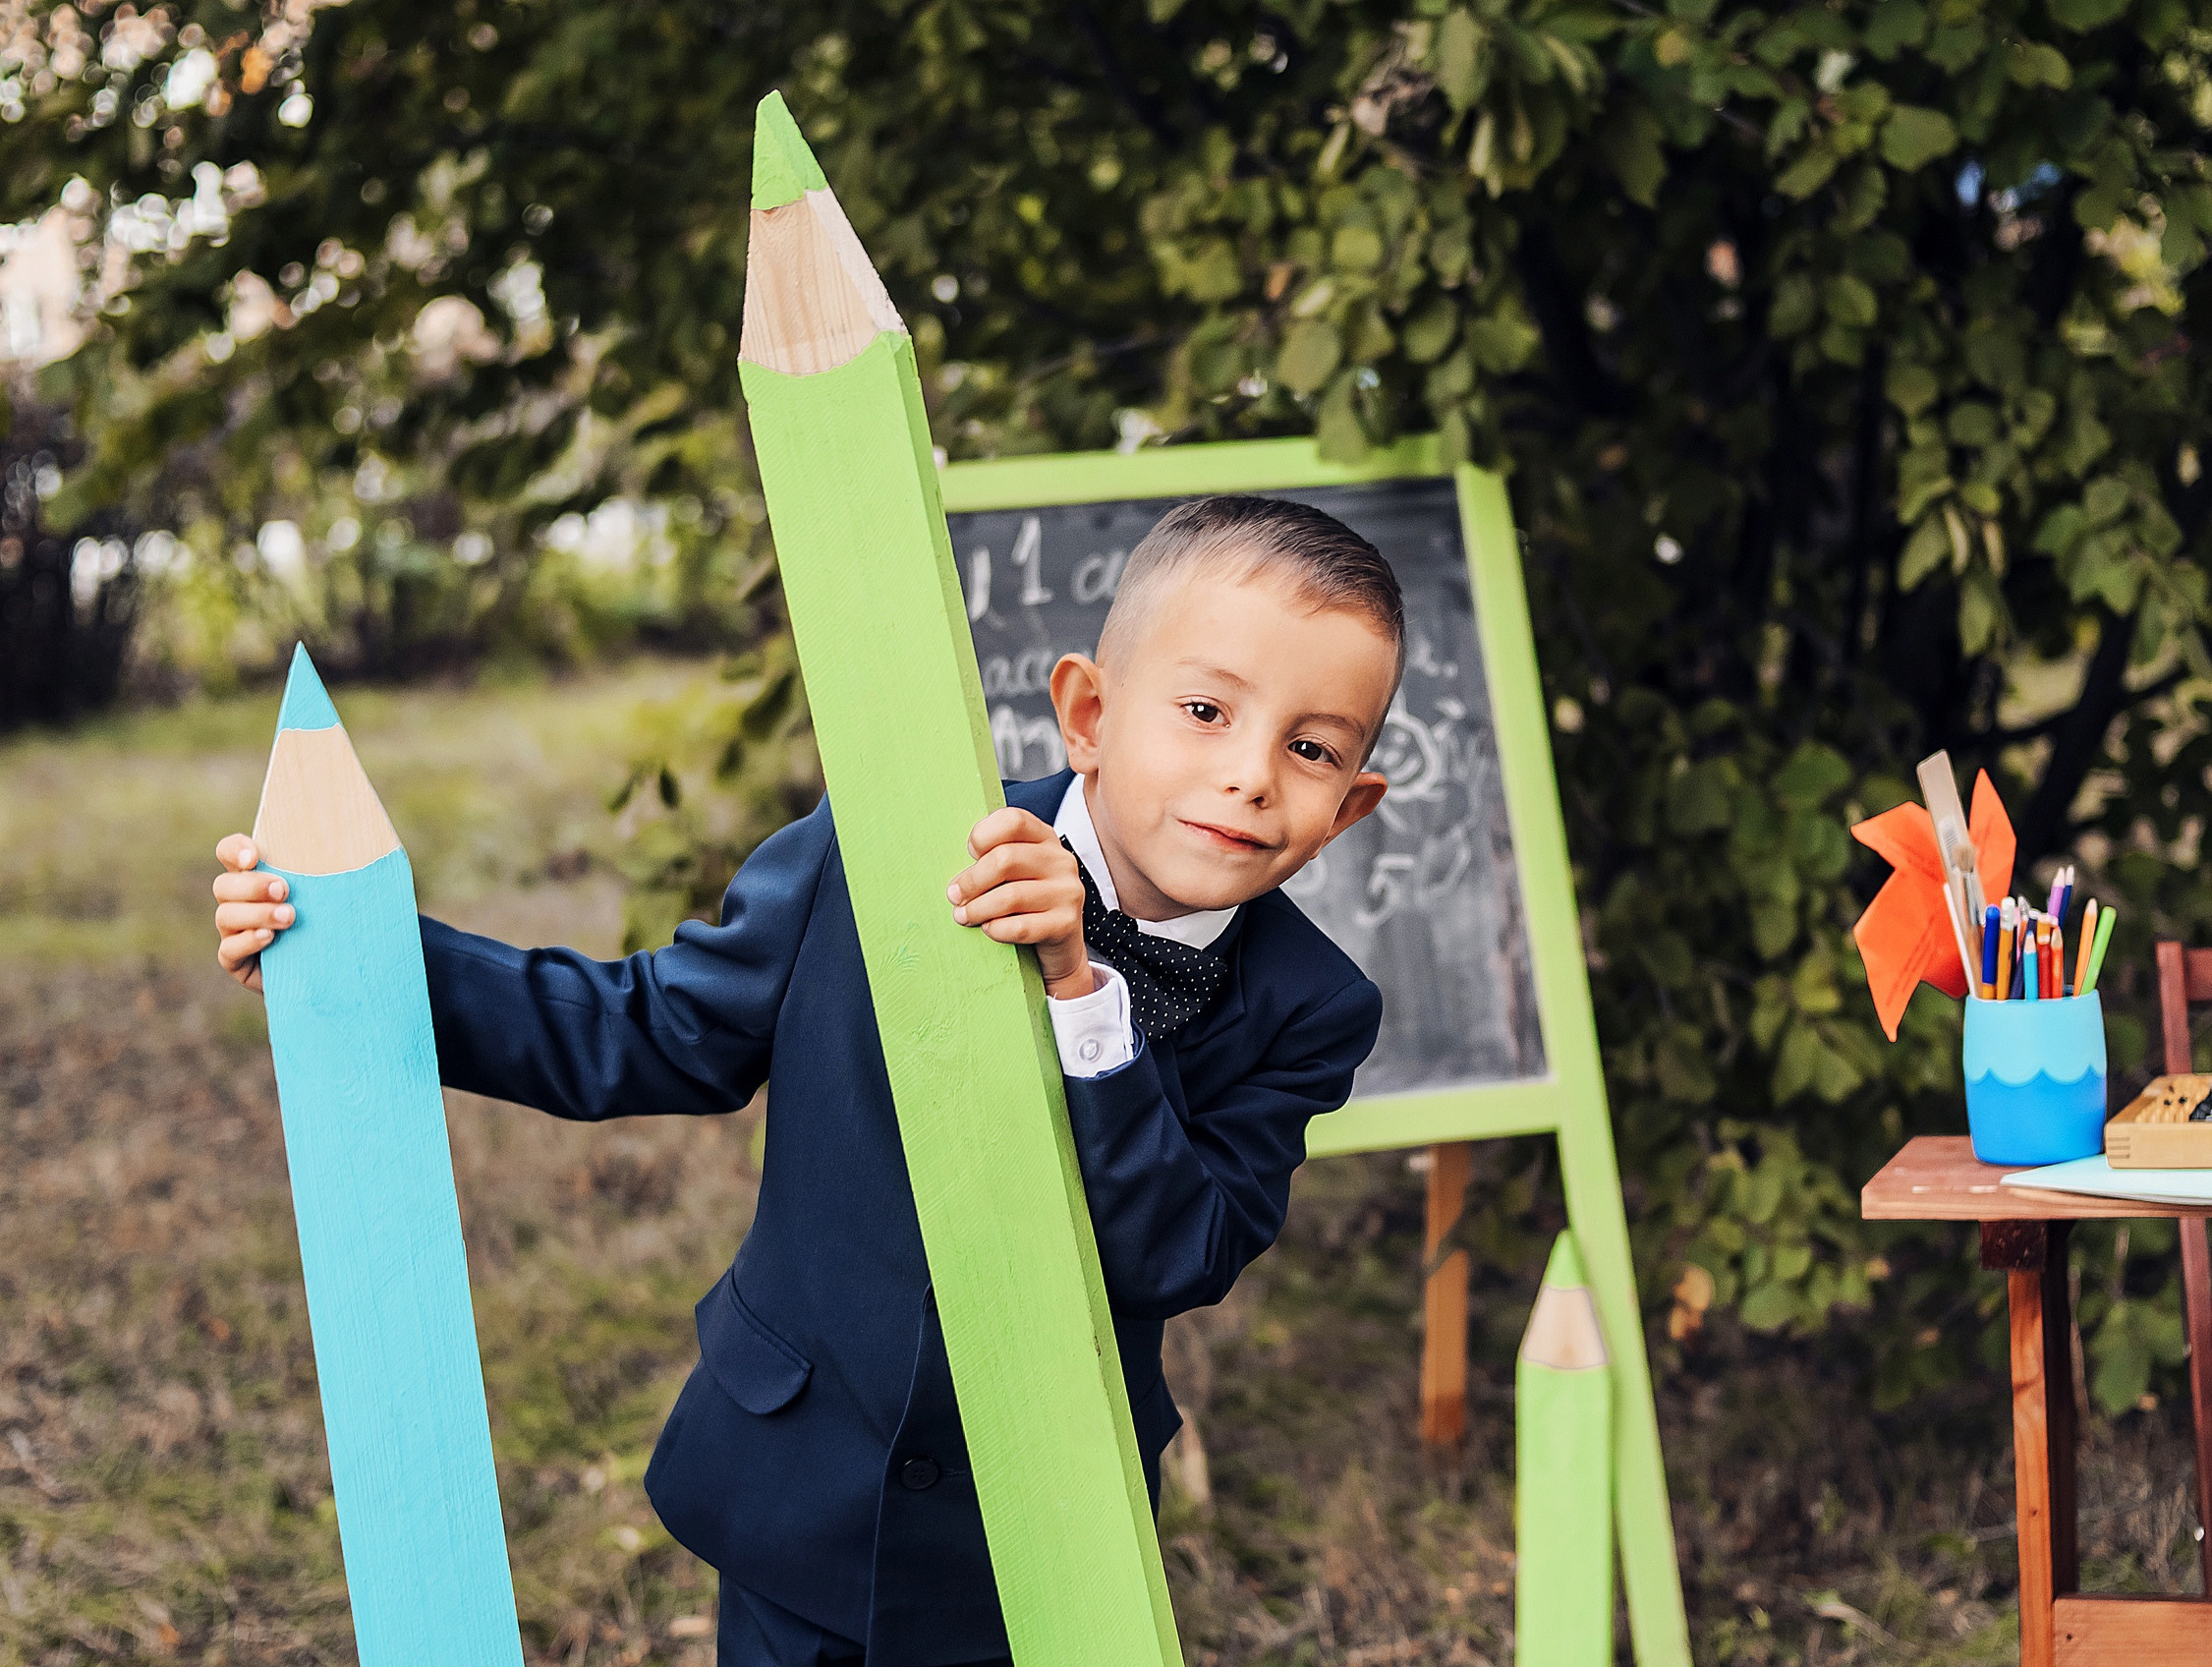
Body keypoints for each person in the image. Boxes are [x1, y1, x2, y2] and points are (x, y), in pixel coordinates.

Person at [209, 494, 1404, 1667]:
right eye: (1204, 709)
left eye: (1309, 748)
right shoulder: (891, 840)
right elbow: (655, 1030)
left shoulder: (1313, 1006)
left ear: (1347, 808)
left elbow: (1179, 1251)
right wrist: (362, 964)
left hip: (1032, 1524)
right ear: (1087, 713)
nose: (1250, 774)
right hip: (795, 1468)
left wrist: (1084, 998)